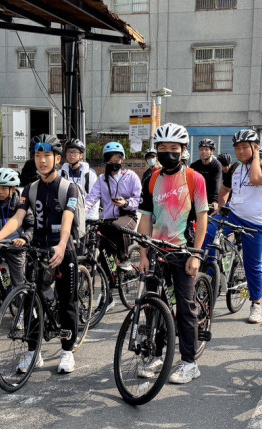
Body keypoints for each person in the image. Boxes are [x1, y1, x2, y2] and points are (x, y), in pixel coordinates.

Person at [0, 138, 81, 374]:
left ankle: (67, 352)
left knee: (66, 303)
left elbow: (68, 219)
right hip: (37, 250)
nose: (41, 161)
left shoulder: (68, 188)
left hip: (62, 250)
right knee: (31, 301)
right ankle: (33, 353)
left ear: (57, 159)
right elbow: (18, 218)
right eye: (38, 156)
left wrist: (61, 246)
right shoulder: (29, 189)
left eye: (47, 156)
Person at [136, 123, 209, 384]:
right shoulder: (152, 178)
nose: (167, 152)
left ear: (183, 150)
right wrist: (143, 254)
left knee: (185, 307)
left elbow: (202, 218)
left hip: (183, 250)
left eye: (173, 148)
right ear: (156, 150)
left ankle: (189, 363)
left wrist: (196, 254)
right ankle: (157, 353)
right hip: (156, 249)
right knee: (153, 304)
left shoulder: (194, 178)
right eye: (163, 148)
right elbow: (144, 218)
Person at [216, 129, 262, 324]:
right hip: (233, 215)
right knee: (207, 237)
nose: (240, 152)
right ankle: (205, 283)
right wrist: (221, 207)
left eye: (245, 147)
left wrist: (257, 156)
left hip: (256, 222)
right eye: (237, 148)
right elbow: (224, 190)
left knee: (253, 265)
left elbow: (255, 179)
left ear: (255, 147)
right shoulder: (235, 168)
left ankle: (256, 305)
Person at [89, 141, 143, 270]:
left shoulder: (131, 177)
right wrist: (80, 213)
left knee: (118, 226)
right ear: (106, 161)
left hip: (127, 215)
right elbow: (91, 198)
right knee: (105, 256)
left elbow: (139, 199)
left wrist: (126, 203)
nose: (114, 163)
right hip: (107, 218)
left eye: (117, 159)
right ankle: (111, 281)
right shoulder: (102, 179)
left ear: (122, 159)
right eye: (110, 160)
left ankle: (125, 258)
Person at [59, 138, 100, 222]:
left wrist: (90, 218)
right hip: (64, 216)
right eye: (69, 152)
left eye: (74, 152)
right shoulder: (60, 174)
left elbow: (94, 197)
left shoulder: (90, 175)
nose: (71, 155)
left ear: (81, 155)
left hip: (86, 217)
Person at [191, 138, 223, 215]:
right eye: (201, 149)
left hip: (210, 200)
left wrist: (215, 201)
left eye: (206, 149)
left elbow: (216, 184)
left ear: (212, 151)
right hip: (196, 199)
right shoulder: (194, 165)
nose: (203, 152)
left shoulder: (216, 165)